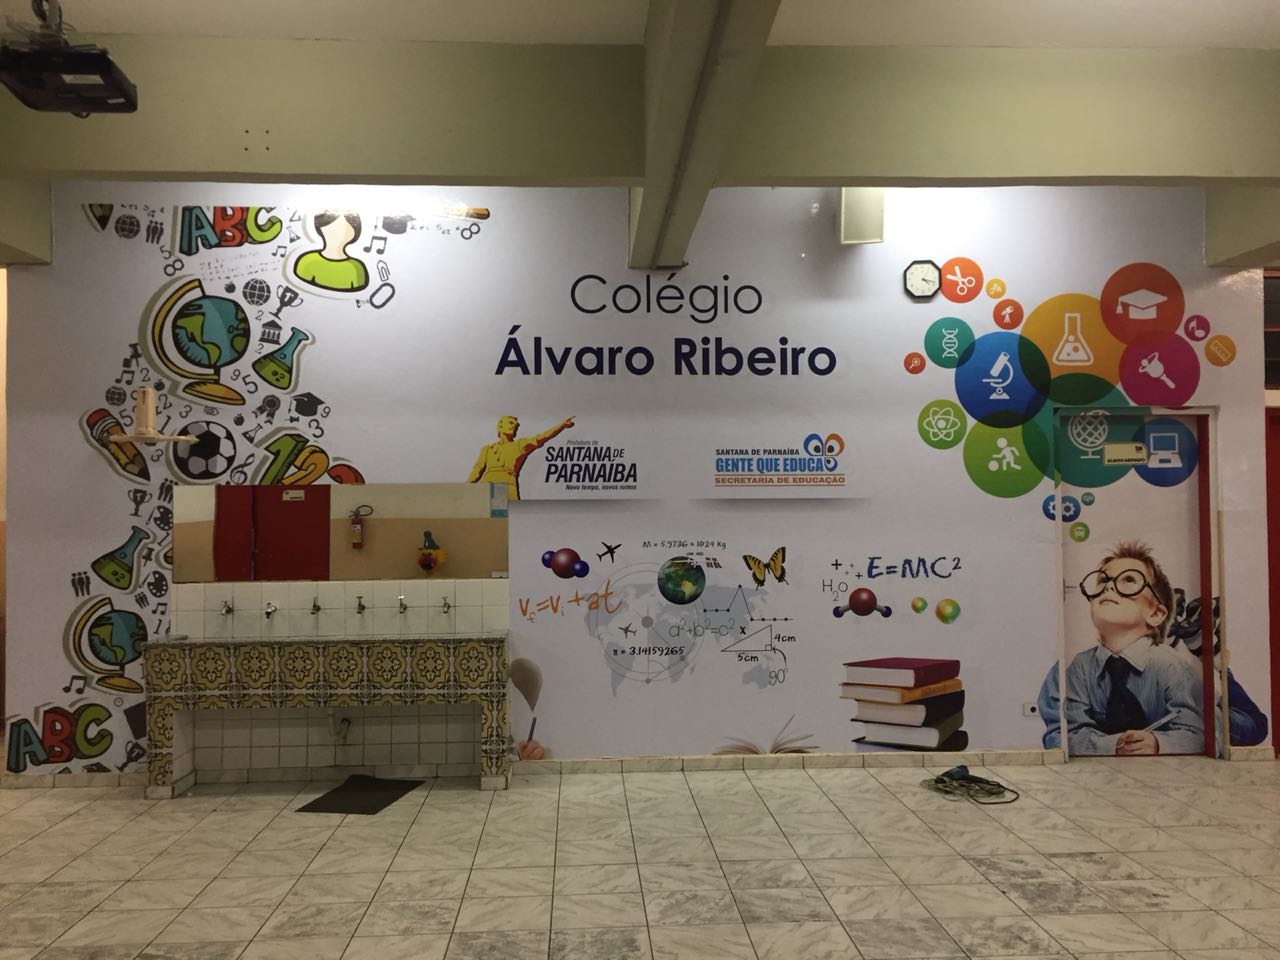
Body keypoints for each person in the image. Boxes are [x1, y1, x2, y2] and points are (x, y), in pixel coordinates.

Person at [1042, 541, 1203, 756]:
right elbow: (1061, 736)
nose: (1109, 587)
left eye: (1129, 580)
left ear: (1155, 614)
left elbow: (1199, 733)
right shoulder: (1076, 668)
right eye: (1103, 580)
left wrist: (1158, 743)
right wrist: (1113, 745)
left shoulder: (1173, 667)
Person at [468, 415, 573, 500]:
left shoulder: (519, 445)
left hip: (507, 487)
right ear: (500, 426)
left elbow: (541, 438)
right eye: (510, 423)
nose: (514, 426)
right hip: (486, 487)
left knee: (510, 517)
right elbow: (476, 470)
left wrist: (561, 426)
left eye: (516, 425)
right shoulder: (487, 449)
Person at [293, 210, 370, 292]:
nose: (341, 232)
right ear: (321, 228)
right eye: (335, 228)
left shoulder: (356, 267)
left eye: (346, 227)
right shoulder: (307, 261)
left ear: (354, 233)